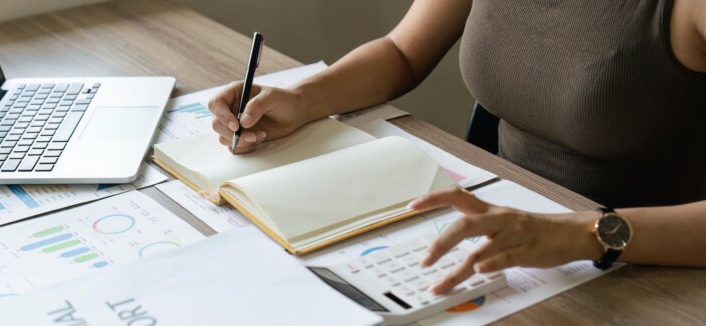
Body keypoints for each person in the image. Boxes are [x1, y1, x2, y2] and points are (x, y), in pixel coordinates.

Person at [208, 0, 706, 294]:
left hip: (650, 267)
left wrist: (585, 233)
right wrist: (301, 99)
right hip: (502, 231)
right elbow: (403, 51)